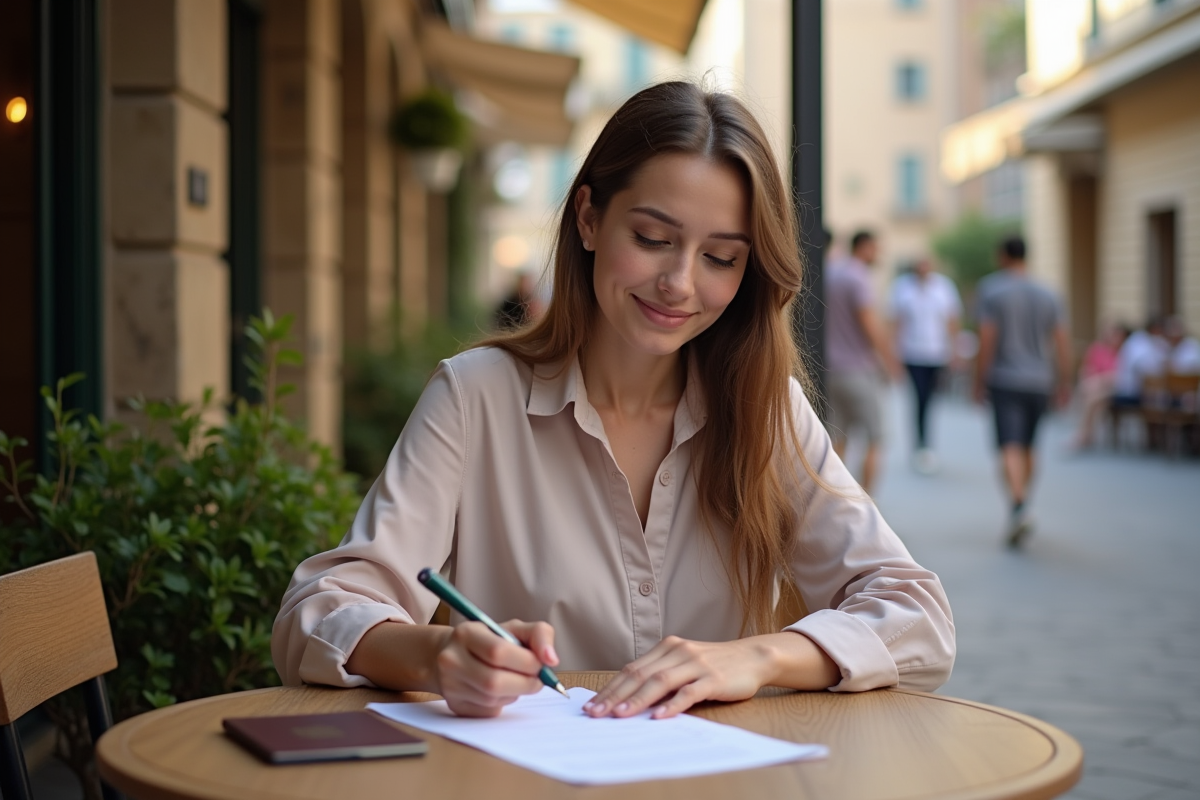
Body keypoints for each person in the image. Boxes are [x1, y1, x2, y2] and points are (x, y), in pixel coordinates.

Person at [273, 82, 954, 721]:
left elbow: (917, 616)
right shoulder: (475, 396)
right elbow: (318, 610)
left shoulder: (765, 410)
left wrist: (756, 656)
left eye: (721, 257)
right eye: (653, 239)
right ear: (590, 218)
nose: (679, 284)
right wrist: (437, 655)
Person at [972, 236, 1071, 548]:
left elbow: (987, 338)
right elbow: (1061, 341)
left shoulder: (991, 290)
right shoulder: (1049, 293)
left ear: (1003, 255)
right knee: (1030, 446)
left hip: (1005, 380)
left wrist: (978, 379)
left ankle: (1018, 504)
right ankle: (1023, 505)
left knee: (1009, 446)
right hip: (1040, 380)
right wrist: (1065, 381)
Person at [824, 231, 902, 495]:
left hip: (830, 370)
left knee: (838, 438)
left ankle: (835, 500)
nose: (878, 255)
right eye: (875, 249)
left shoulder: (832, 273)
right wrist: (891, 362)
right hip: (858, 370)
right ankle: (866, 503)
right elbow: (870, 325)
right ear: (864, 247)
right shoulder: (858, 278)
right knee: (875, 439)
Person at [888, 257, 963, 474]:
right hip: (912, 353)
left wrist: (955, 350)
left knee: (930, 399)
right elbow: (896, 321)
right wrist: (893, 354)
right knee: (919, 397)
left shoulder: (944, 287)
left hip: (937, 353)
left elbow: (951, 320)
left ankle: (925, 444)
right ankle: (921, 445)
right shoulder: (903, 288)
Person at [1069, 322, 1131, 450]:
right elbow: (1087, 368)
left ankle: (1084, 435)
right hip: (1099, 387)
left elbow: (1120, 377)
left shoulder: (1124, 351)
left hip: (1115, 389)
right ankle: (1086, 434)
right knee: (1092, 395)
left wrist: (1097, 380)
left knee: (1092, 396)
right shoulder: (1097, 348)